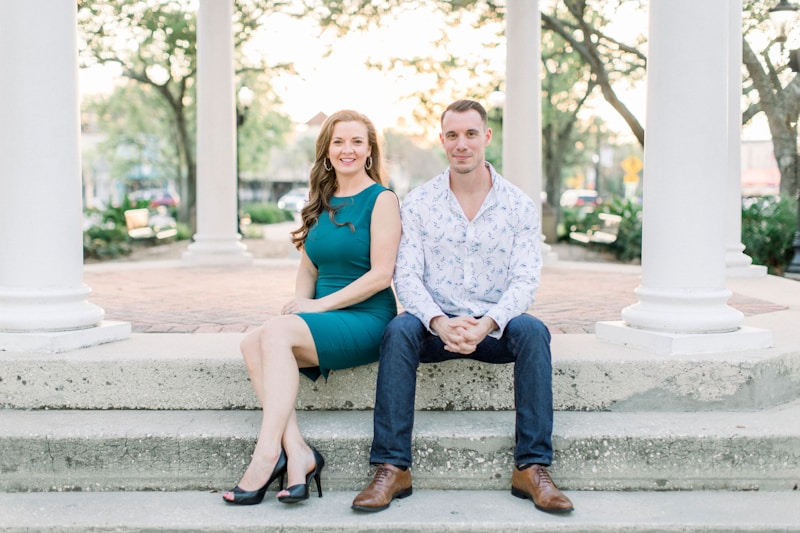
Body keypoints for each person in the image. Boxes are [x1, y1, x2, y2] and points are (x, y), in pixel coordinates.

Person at [351, 99, 573, 514]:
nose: (462, 144)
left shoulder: (519, 206)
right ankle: (392, 466)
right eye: (452, 135)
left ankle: (532, 467)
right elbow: (407, 275)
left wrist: (488, 323)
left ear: (486, 137)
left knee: (534, 331)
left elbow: (526, 279)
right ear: (442, 141)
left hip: (495, 330)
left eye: (471, 134)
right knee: (398, 330)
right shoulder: (418, 203)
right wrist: (438, 320)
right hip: (436, 330)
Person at [223, 110, 401, 506]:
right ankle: (298, 452)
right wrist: (300, 310)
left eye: (356, 141)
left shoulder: (382, 199)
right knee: (252, 344)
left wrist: (317, 307)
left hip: (367, 318)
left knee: (273, 334)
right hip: (324, 313)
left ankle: (267, 454)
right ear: (327, 150)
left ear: (370, 150)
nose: (347, 150)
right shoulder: (320, 201)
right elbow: (308, 266)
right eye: (338, 142)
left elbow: (381, 275)